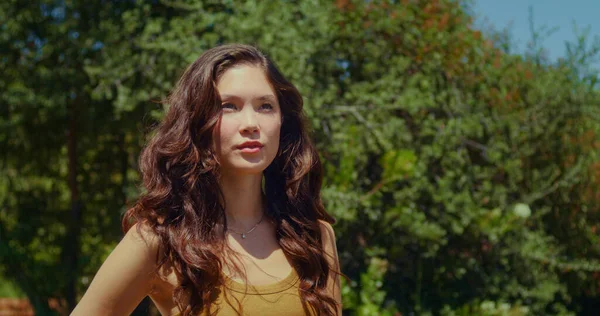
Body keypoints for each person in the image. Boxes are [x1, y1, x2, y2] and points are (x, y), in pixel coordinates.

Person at [71, 44, 342, 316]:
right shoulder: (161, 241)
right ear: (197, 121)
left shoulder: (314, 237)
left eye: (265, 106)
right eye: (228, 106)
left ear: (283, 122)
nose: (251, 123)